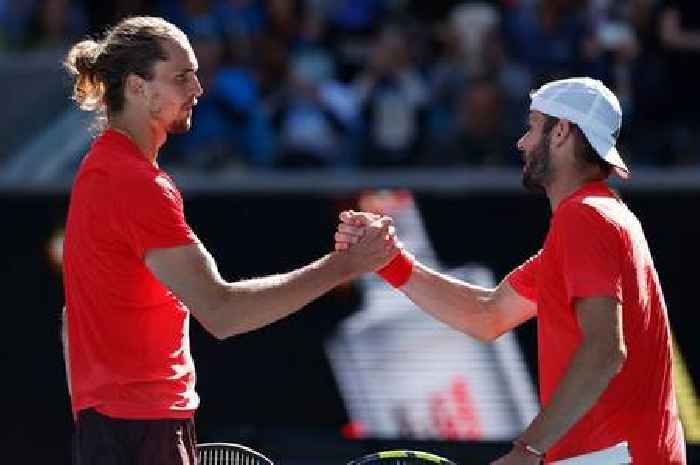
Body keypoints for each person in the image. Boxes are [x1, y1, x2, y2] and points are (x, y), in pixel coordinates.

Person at [61, 16, 398, 465]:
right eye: (182, 77)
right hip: (141, 429)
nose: (198, 89)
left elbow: (70, 323)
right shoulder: (134, 183)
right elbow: (221, 312)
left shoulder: (100, 170)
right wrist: (345, 265)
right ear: (138, 87)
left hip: (120, 427)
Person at [336, 77, 686, 464]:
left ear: (562, 132)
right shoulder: (600, 217)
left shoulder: (585, 218)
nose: (522, 141)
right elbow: (488, 314)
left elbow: (604, 350)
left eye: (533, 126)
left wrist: (527, 450)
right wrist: (389, 261)